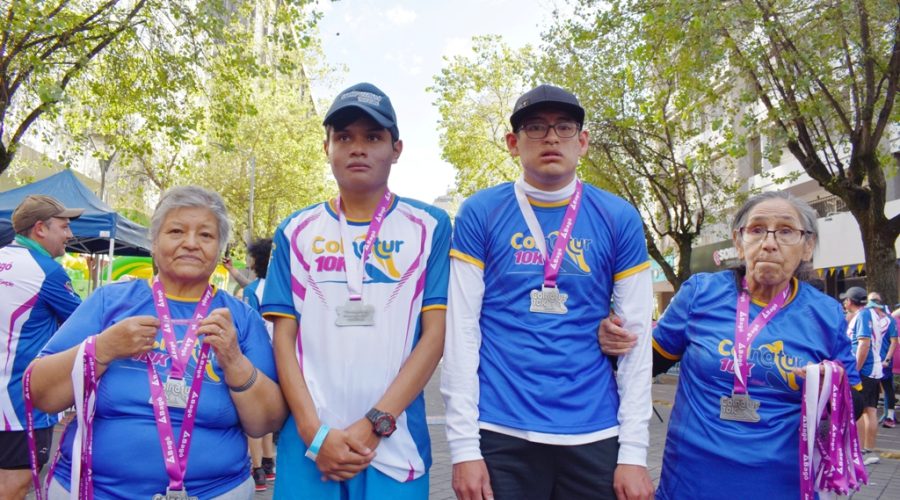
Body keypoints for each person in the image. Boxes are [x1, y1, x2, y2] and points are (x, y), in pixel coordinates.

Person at [441, 84, 654, 500]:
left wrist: (634, 453)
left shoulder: (618, 217)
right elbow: (462, 331)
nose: (552, 138)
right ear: (512, 143)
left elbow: (635, 339)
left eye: (565, 127)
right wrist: (464, 448)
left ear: (583, 141)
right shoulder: (480, 212)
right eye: (535, 128)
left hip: (595, 429)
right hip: (501, 429)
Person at [598, 191, 862, 499]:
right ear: (738, 242)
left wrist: (828, 383)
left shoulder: (825, 313)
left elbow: (853, 403)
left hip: (782, 486)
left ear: (808, 246)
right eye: (756, 229)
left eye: (787, 231)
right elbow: (644, 364)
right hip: (692, 485)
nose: (770, 242)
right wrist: (614, 341)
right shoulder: (701, 293)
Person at [27, 186, 287, 499]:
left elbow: (267, 422)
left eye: (205, 235)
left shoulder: (240, 318)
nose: (190, 243)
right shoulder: (111, 302)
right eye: (176, 231)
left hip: (214, 490)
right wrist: (103, 348)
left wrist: (234, 360)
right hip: (95, 489)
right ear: (154, 241)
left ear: (219, 249)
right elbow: (39, 392)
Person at [261, 82, 450, 499]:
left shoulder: (431, 226)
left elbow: (434, 337)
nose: (357, 148)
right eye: (344, 137)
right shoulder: (296, 230)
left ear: (396, 149)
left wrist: (375, 424)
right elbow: (283, 340)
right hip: (310, 447)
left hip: (395, 444)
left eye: (373, 137)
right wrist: (313, 433)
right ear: (325, 147)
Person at [0, 195, 83, 500]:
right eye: (64, 227)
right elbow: (88, 325)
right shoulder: (48, 272)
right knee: (13, 487)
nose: (70, 235)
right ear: (40, 229)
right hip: (20, 406)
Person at [241, 238, 276, 491]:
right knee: (268, 414)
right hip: (281, 358)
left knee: (251, 415)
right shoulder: (283, 286)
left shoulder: (252, 290)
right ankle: (269, 462)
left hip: (258, 354)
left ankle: (257, 471)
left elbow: (251, 325)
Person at [850, 289, 897, 463]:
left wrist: (855, 369)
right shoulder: (880, 317)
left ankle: (862, 451)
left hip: (867, 368)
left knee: (862, 410)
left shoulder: (866, 316)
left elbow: (864, 345)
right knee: (869, 409)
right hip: (875, 366)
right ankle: (867, 450)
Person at [867, 292, 897, 429]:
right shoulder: (866, 317)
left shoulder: (889, 320)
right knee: (872, 389)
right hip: (870, 361)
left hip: (882, 361)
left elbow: (893, 341)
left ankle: (889, 417)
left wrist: (887, 358)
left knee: (887, 387)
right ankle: (869, 415)